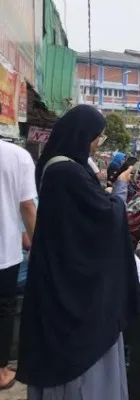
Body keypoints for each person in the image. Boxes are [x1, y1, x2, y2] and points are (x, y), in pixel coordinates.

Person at [16, 104, 140, 400]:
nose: (98, 144)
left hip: (60, 271)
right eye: (96, 137)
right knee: (81, 350)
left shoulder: (58, 167)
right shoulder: (66, 172)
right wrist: (120, 189)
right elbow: (106, 219)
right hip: (76, 287)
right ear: (82, 135)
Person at [0, 140, 37, 390]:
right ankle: (1, 371)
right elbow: (27, 206)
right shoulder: (17, 156)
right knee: (3, 310)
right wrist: (37, 244)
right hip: (4, 253)